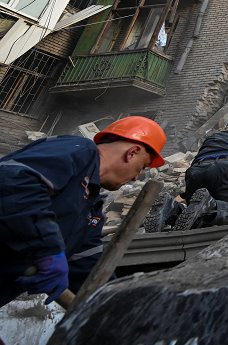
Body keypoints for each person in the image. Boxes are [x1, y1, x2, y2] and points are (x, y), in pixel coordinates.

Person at [0, 116, 166, 307]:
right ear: (132, 152)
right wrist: (49, 249)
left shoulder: (90, 211)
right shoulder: (78, 150)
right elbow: (13, 182)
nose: (137, 178)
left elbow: (87, 266)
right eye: (142, 167)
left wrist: (116, 306)